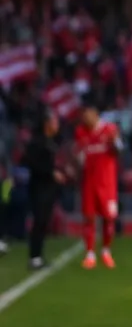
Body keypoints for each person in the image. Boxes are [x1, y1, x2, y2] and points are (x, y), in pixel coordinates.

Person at [75, 102, 122, 269]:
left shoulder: (109, 130)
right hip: (89, 183)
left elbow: (119, 150)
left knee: (109, 219)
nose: (84, 118)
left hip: (107, 184)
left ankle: (106, 251)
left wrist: (115, 142)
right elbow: (78, 156)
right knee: (89, 217)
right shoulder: (81, 132)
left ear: (95, 114)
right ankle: (89, 254)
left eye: (87, 115)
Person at [22, 110, 66, 270]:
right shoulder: (37, 142)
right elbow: (30, 162)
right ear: (47, 124)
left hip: (49, 188)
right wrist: (51, 172)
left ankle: (38, 256)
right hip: (39, 188)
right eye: (54, 122)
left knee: (44, 222)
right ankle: (34, 257)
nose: (57, 125)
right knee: (39, 221)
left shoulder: (51, 142)